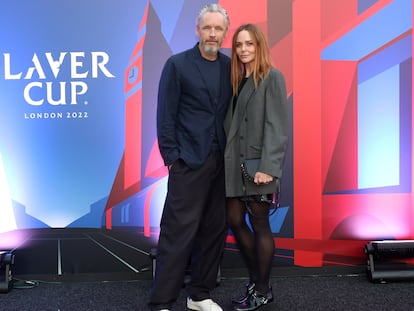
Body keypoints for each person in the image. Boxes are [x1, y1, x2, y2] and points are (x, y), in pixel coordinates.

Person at [148, 3, 231, 311]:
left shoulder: (229, 67)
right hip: (188, 162)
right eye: (207, 27)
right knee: (177, 232)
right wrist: (172, 157)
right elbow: (165, 114)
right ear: (197, 30)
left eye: (218, 28)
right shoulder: (177, 64)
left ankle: (200, 295)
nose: (212, 33)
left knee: (214, 231)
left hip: (221, 164)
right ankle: (162, 301)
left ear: (224, 33)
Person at [223, 23, 289, 311]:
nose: (243, 49)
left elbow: (277, 126)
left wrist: (269, 166)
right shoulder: (237, 81)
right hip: (234, 167)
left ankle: (262, 289)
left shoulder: (272, 77)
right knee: (235, 221)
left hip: (258, 167)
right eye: (239, 45)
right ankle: (257, 281)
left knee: (259, 224)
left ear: (259, 46)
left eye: (249, 44)